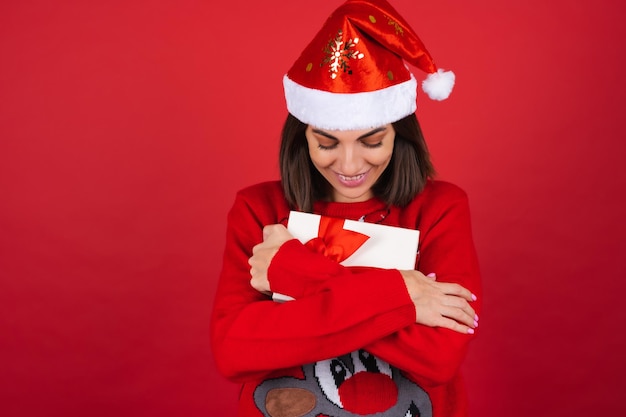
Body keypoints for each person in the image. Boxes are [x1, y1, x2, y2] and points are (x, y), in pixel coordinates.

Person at [210, 0, 481, 416]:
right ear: (302, 137)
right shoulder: (258, 209)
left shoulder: (441, 208)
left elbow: (438, 355)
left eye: (372, 142)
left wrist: (295, 275)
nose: (350, 165)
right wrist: (404, 297)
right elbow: (236, 349)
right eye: (327, 142)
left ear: (400, 135)